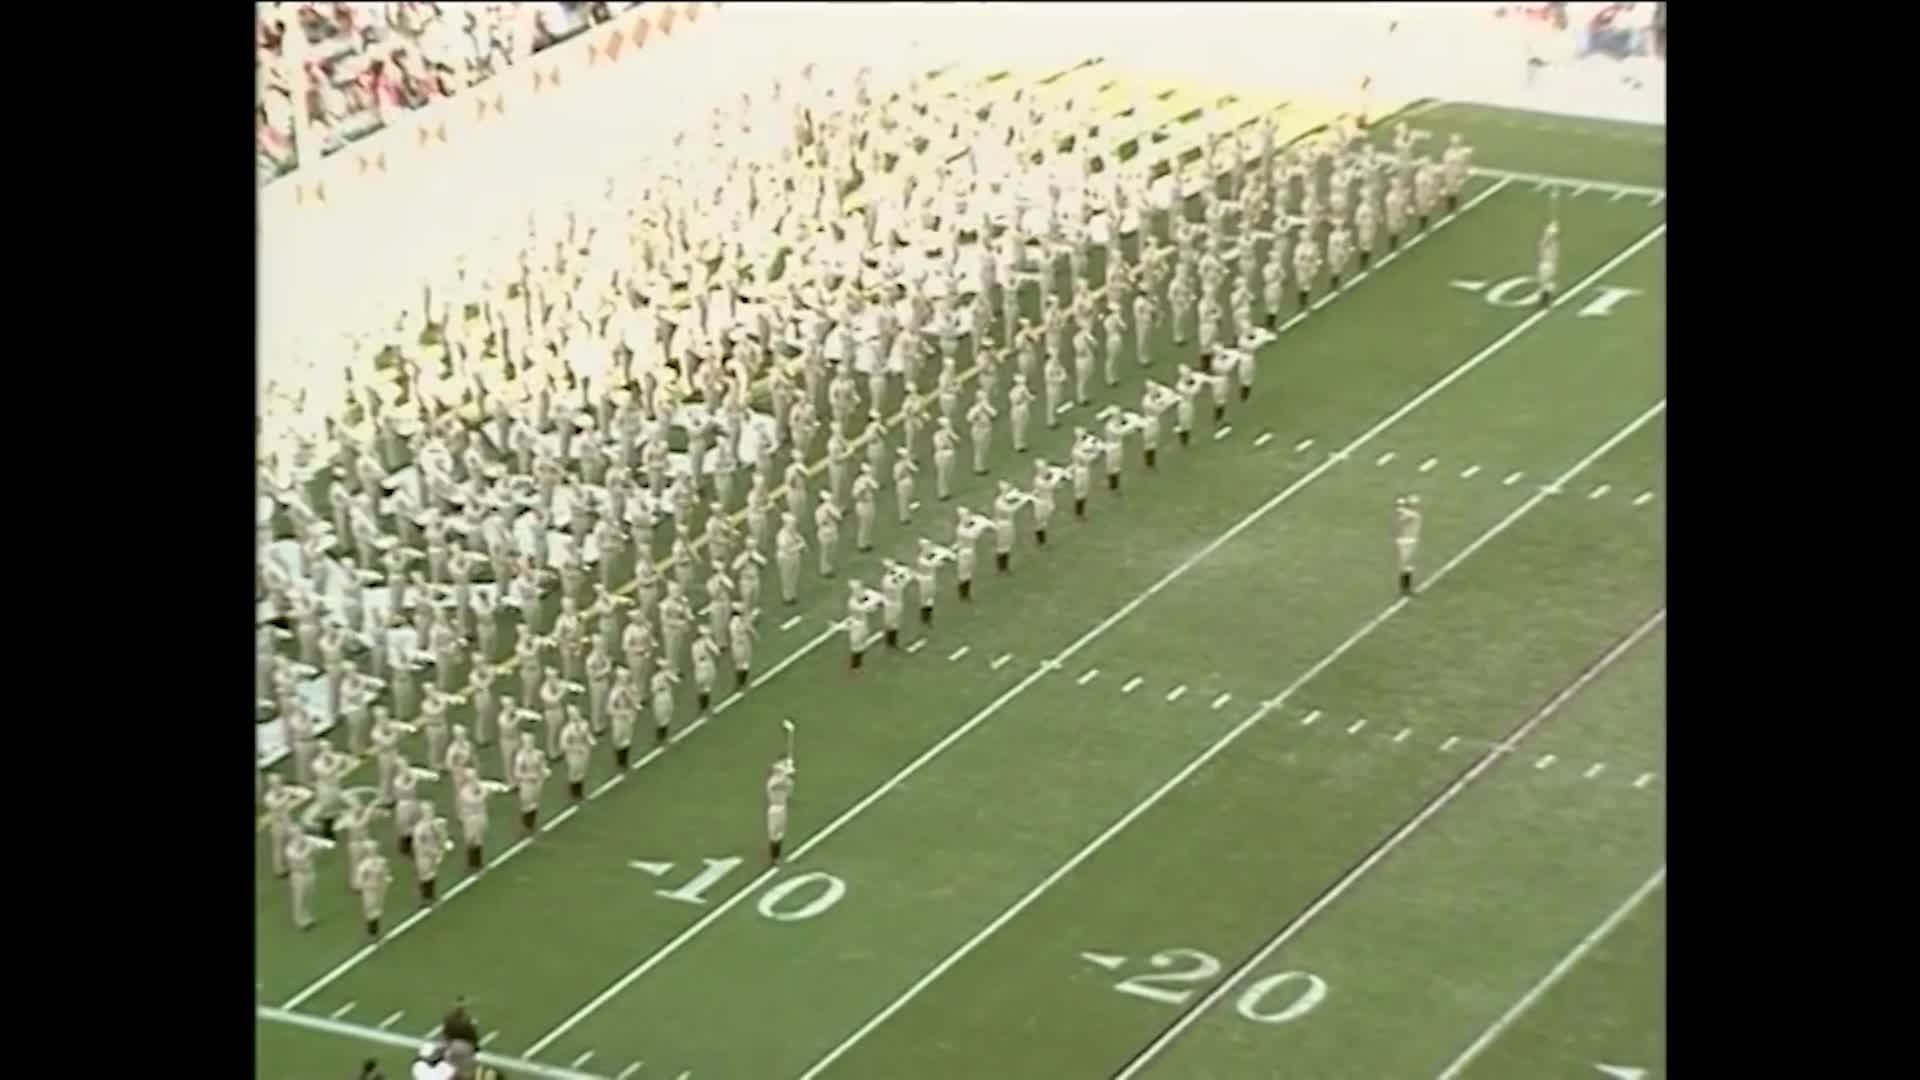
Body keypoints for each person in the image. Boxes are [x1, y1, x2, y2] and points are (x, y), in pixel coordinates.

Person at [1395, 493, 1423, 596]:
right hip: (1407, 541)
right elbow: (1403, 518)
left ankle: (1405, 588)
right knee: (1406, 564)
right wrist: (1401, 507)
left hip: (1408, 540)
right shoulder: (1413, 515)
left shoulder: (1410, 514)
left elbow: (1401, 516)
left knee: (1407, 564)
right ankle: (1405, 588)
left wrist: (1400, 506)